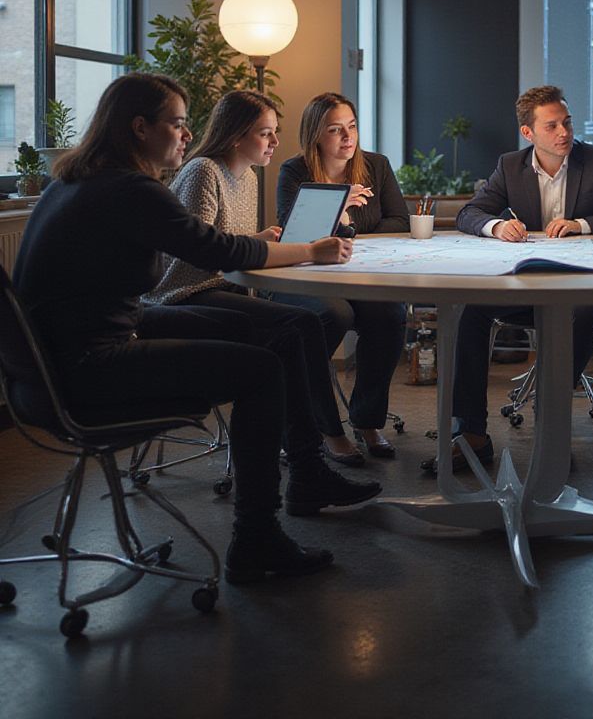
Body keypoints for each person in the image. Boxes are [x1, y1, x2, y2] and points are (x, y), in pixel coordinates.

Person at [12, 74, 380, 585]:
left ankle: (308, 473)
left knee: (287, 329)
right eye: (179, 123)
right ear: (140, 128)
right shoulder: (130, 189)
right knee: (260, 370)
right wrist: (307, 250)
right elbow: (215, 250)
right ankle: (256, 536)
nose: (187, 135)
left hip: (53, 366)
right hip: (88, 368)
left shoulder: (78, 182)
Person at [144, 90, 385, 474]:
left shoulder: (248, 176)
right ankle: (310, 453)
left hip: (224, 288)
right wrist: (307, 250)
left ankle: (307, 451)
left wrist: (259, 239)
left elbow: (221, 242)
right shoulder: (204, 170)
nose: (275, 142)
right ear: (236, 135)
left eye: (275, 132)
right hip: (183, 295)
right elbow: (203, 253)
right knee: (304, 324)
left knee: (310, 323)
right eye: (265, 133)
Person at [425, 84, 593, 472]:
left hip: (592, 288)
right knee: (470, 312)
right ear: (528, 133)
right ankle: (472, 437)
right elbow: (470, 213)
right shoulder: (510, 165)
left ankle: (552, 431)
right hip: (531, 287)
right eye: (552, 126)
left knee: (574, 316)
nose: (564, 132)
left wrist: (580, 224)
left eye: (567, 122)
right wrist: (496, 226)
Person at [275, 92, 410, 462]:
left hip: (361, 273)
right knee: (333, 316)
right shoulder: (295, 171)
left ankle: (366, 420)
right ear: (316, 135)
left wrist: (339, 227)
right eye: (335, 130)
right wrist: (343, 217)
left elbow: (399, 221)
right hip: (305, 277)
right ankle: (326, 429)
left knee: (389, 315)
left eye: (351, 127)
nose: (347, 137)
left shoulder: (376, 166)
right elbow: (296, 233)